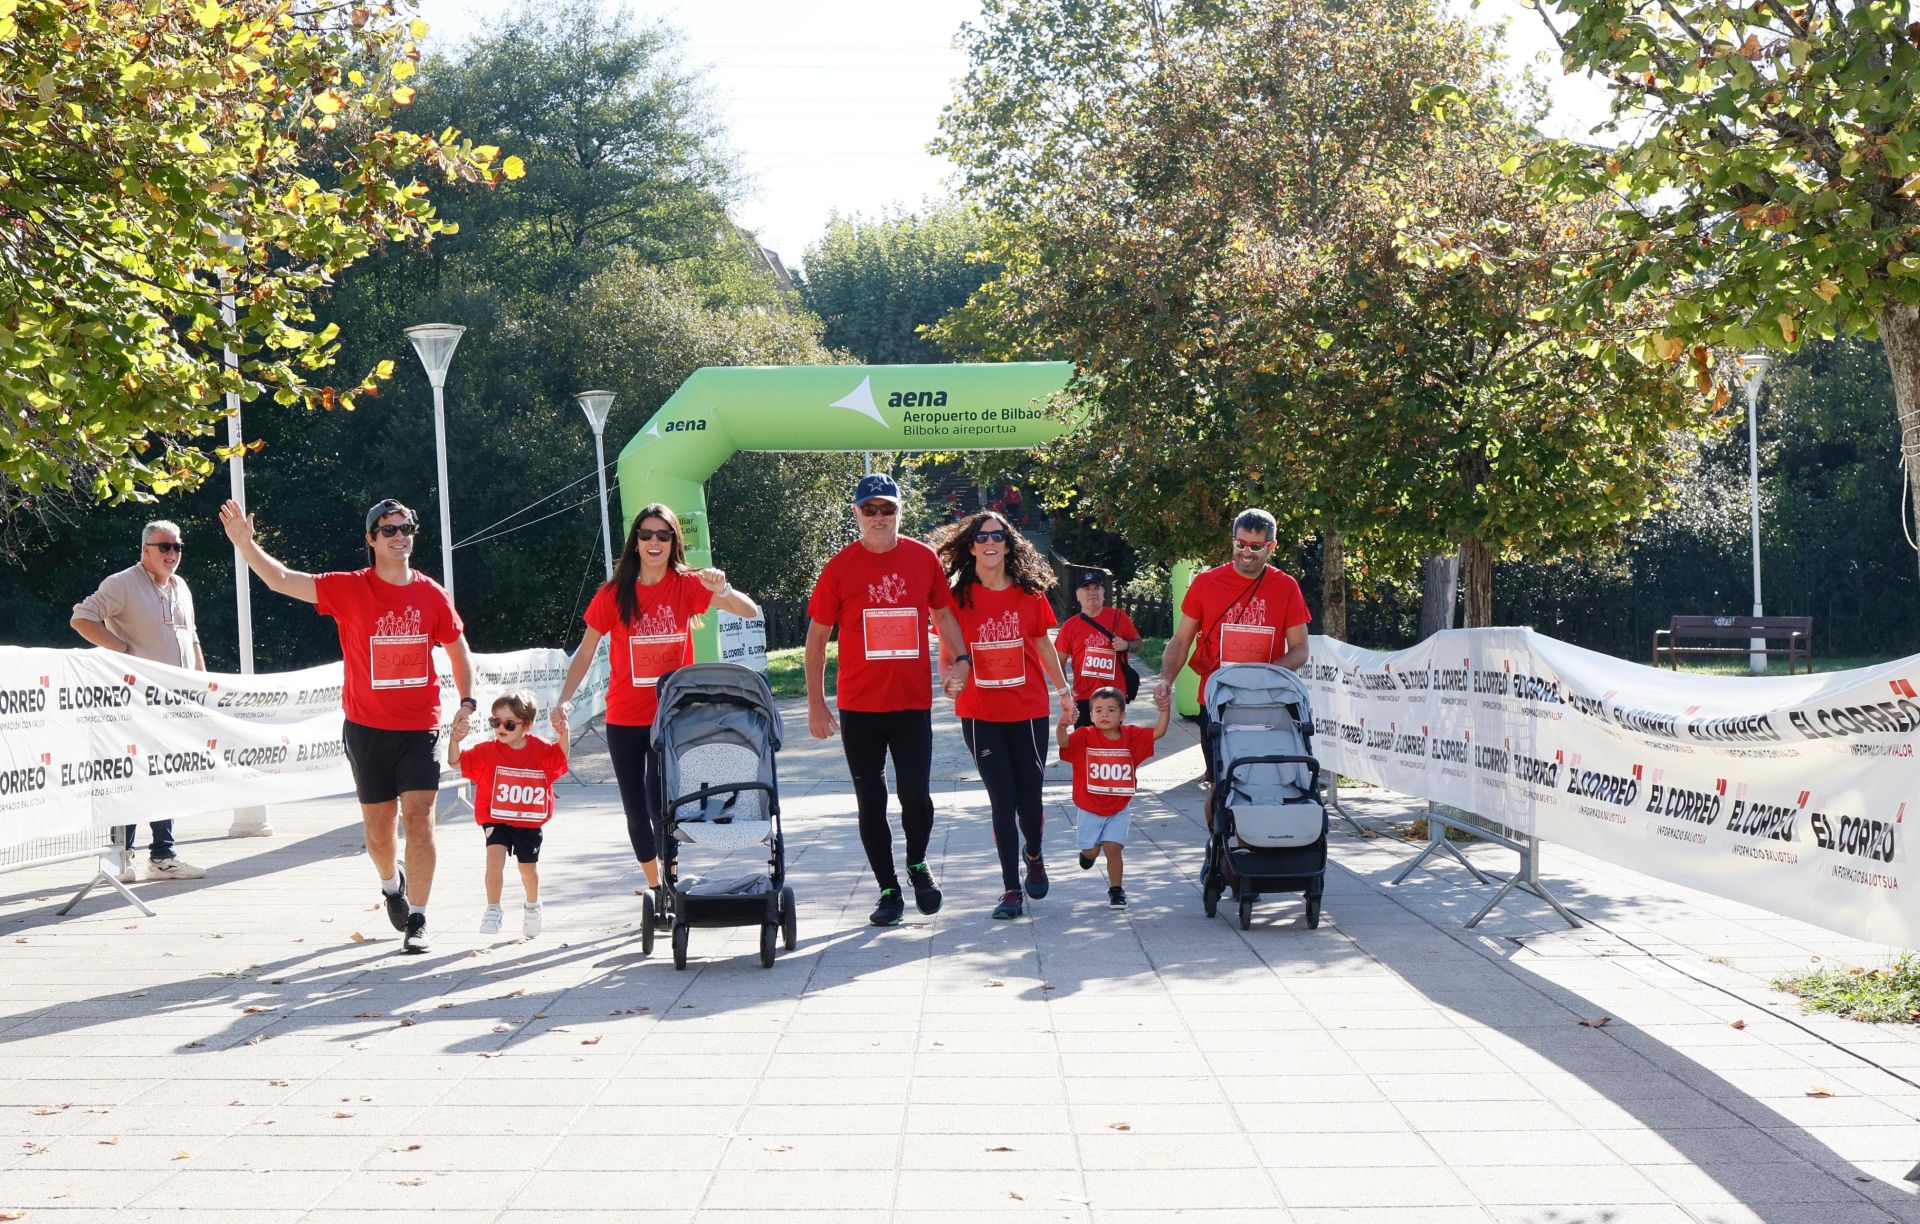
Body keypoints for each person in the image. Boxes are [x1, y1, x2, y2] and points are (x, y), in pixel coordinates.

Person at [220, 497, 474, 954]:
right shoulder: (350, 588)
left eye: (406, 528)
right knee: (379, 832)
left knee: (420, 821)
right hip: (367, 728)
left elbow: (459, 650)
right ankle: (391, 884)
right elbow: (282, 580)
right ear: (371, 539)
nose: (400, 537)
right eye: (389, 530)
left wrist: (467, 703)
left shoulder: (431, 593)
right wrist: (246, 545)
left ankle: (419, 917)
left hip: (420, 727)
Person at [556, 504, 759, 914]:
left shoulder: (687, 585)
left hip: (670, 718)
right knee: (635, 809)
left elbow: (748, 610)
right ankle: (657, 885)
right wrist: (564, 699)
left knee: (661, 805)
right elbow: (586, 650)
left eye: (663, 535)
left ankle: (671, 876)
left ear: (673, 542)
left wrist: (722, 590)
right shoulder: (614, 593)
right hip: (624, 718)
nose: (654, 542)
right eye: (646, 534)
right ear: (635, 542)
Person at [805, 473, 970, 926]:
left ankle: (916, 863)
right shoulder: (840, 567)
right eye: (870, 509)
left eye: (887, 508)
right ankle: (887, 889)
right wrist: (816, 703)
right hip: (859, 706)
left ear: (900, 511)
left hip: (911, 702)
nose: (879, 517)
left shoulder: (922, 558)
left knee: (916, 796)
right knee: (870, 800)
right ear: (856, 513)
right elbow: (816, 640)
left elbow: (943, 615)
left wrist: (962, 659)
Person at [932, 511, 1072, 920]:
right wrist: (949, 679)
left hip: (1028, 710)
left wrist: (1064, 692)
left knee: (1030, 800)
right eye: (981, 537)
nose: (990, 543)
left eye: (997, 536)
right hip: (980, 714)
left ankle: (1035, 855)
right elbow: (947, 655)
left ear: (1009, 545)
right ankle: (1011, 889)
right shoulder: (956, 599)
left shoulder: (1030, 594)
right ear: (971, 546)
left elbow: (1043, 646)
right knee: (1002, 799)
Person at [69, 519, 209, 882]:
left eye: (177, 547)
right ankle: (121, 856)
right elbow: (81, 618)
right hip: (132, 701)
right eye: (165, 547)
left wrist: (202, 682)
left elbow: (192, 637)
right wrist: (121, 650)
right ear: (145, 550)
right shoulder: (122, 583)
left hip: (174, 702)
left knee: (165, 775)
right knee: (129, 776)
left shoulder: (180, 586)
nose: (172, 554)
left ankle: (163, 856)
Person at [1155, 508, 1311, 727]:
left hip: (1267, 701)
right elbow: (1181, 641)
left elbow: (1300, 649)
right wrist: (1166, 680)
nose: (1246, 552)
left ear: (1271, 546)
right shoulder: (1206, 583)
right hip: (1216, 699)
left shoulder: (1286, 586)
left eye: (1256, 547)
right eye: (1240, 544)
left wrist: (1265, 674)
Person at [447, 689, 569, 939]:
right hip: (496, 817)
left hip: (527, 820)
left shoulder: (540, 749)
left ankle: (532, 906)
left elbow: (560, 758)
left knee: (527, 870)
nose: (501, 728)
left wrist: (564, 733)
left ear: (527, 725)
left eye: (509, 724)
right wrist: (455, 740)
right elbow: (456, 762)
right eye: (496, 722)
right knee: (494, 861)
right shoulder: (487, 750)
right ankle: (493, 908)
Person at [1056, 684, 1171, 907]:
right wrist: (1062, 724)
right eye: (1098, 710)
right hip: (1090, 808)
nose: (1105, 715)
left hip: (1118, 808)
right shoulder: (1085, 736)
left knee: (1113, 848)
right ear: (1091, 716)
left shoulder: (1131, 736)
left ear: (1122, 715)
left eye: (1111, 710)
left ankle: (1116, 891)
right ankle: (1088, 854)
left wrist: (1165, 709)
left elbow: (1158, 732)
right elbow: (1064, 743)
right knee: (1091, 851)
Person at [1053, 569, 1144, 727]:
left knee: (1112, 740)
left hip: (1114, 695)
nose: (1092, 593)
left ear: (1103, 593)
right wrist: (1065, 693)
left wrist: (1126, 645)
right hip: (1083, 697)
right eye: (1087, 589)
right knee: (1085, 740)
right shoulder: (1069, 627)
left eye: (1096, 588)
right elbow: (1057, 663)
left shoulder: (1118, 617)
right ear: (1078, 595)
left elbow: (1139, 644)